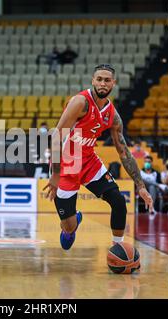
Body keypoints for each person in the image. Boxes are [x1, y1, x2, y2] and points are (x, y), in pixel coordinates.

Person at [43, 64, 153, 251]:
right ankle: (72, 223)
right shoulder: (80, 102)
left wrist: (141, 186)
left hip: (89, 162)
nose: (103, 83)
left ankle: (118, 249)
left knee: (118, 201)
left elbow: (124, 152)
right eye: (99, 79)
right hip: (66, 164)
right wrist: (55, 175)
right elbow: (55, 138)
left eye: (107, 80)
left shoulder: (113, 115)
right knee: (68, 231)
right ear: (93, 81)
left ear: (113, 84)